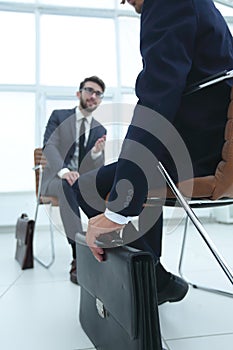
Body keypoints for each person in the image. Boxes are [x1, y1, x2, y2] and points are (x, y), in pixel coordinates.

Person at [75, 0, 233, 306]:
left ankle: (150, 282)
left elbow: (155, 101)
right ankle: (152, 277)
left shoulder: (167, 3)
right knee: (134, 170)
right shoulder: (202, 8)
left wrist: (118, 209)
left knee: (90, 186)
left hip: (197, 160)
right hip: (216, 154)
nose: (124, 1)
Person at [41, 75, 107, 284]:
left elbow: (97, 169)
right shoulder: (59, 117)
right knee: (66, 184)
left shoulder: (99, 129)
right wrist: (64, 171)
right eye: (89, 90)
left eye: (98, 94)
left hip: (82, 183)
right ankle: (78, 254)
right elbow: (49, 146)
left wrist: (97, 153)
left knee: (103, 187)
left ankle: (103, 245)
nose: (93, 96)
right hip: (55, 180)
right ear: (79, 93)